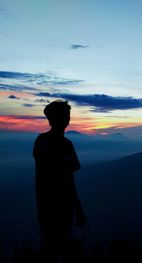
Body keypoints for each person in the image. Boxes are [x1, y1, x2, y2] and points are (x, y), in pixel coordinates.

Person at [33, 100, 86, 262]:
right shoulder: (65, 145)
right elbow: (68, 179)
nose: (67, 119)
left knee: (50, 250)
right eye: (65, 116)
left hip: (45, 206)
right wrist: (78, 207)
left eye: (67, 116)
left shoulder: (41, 141)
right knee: (60, 250)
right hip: (60, 208)